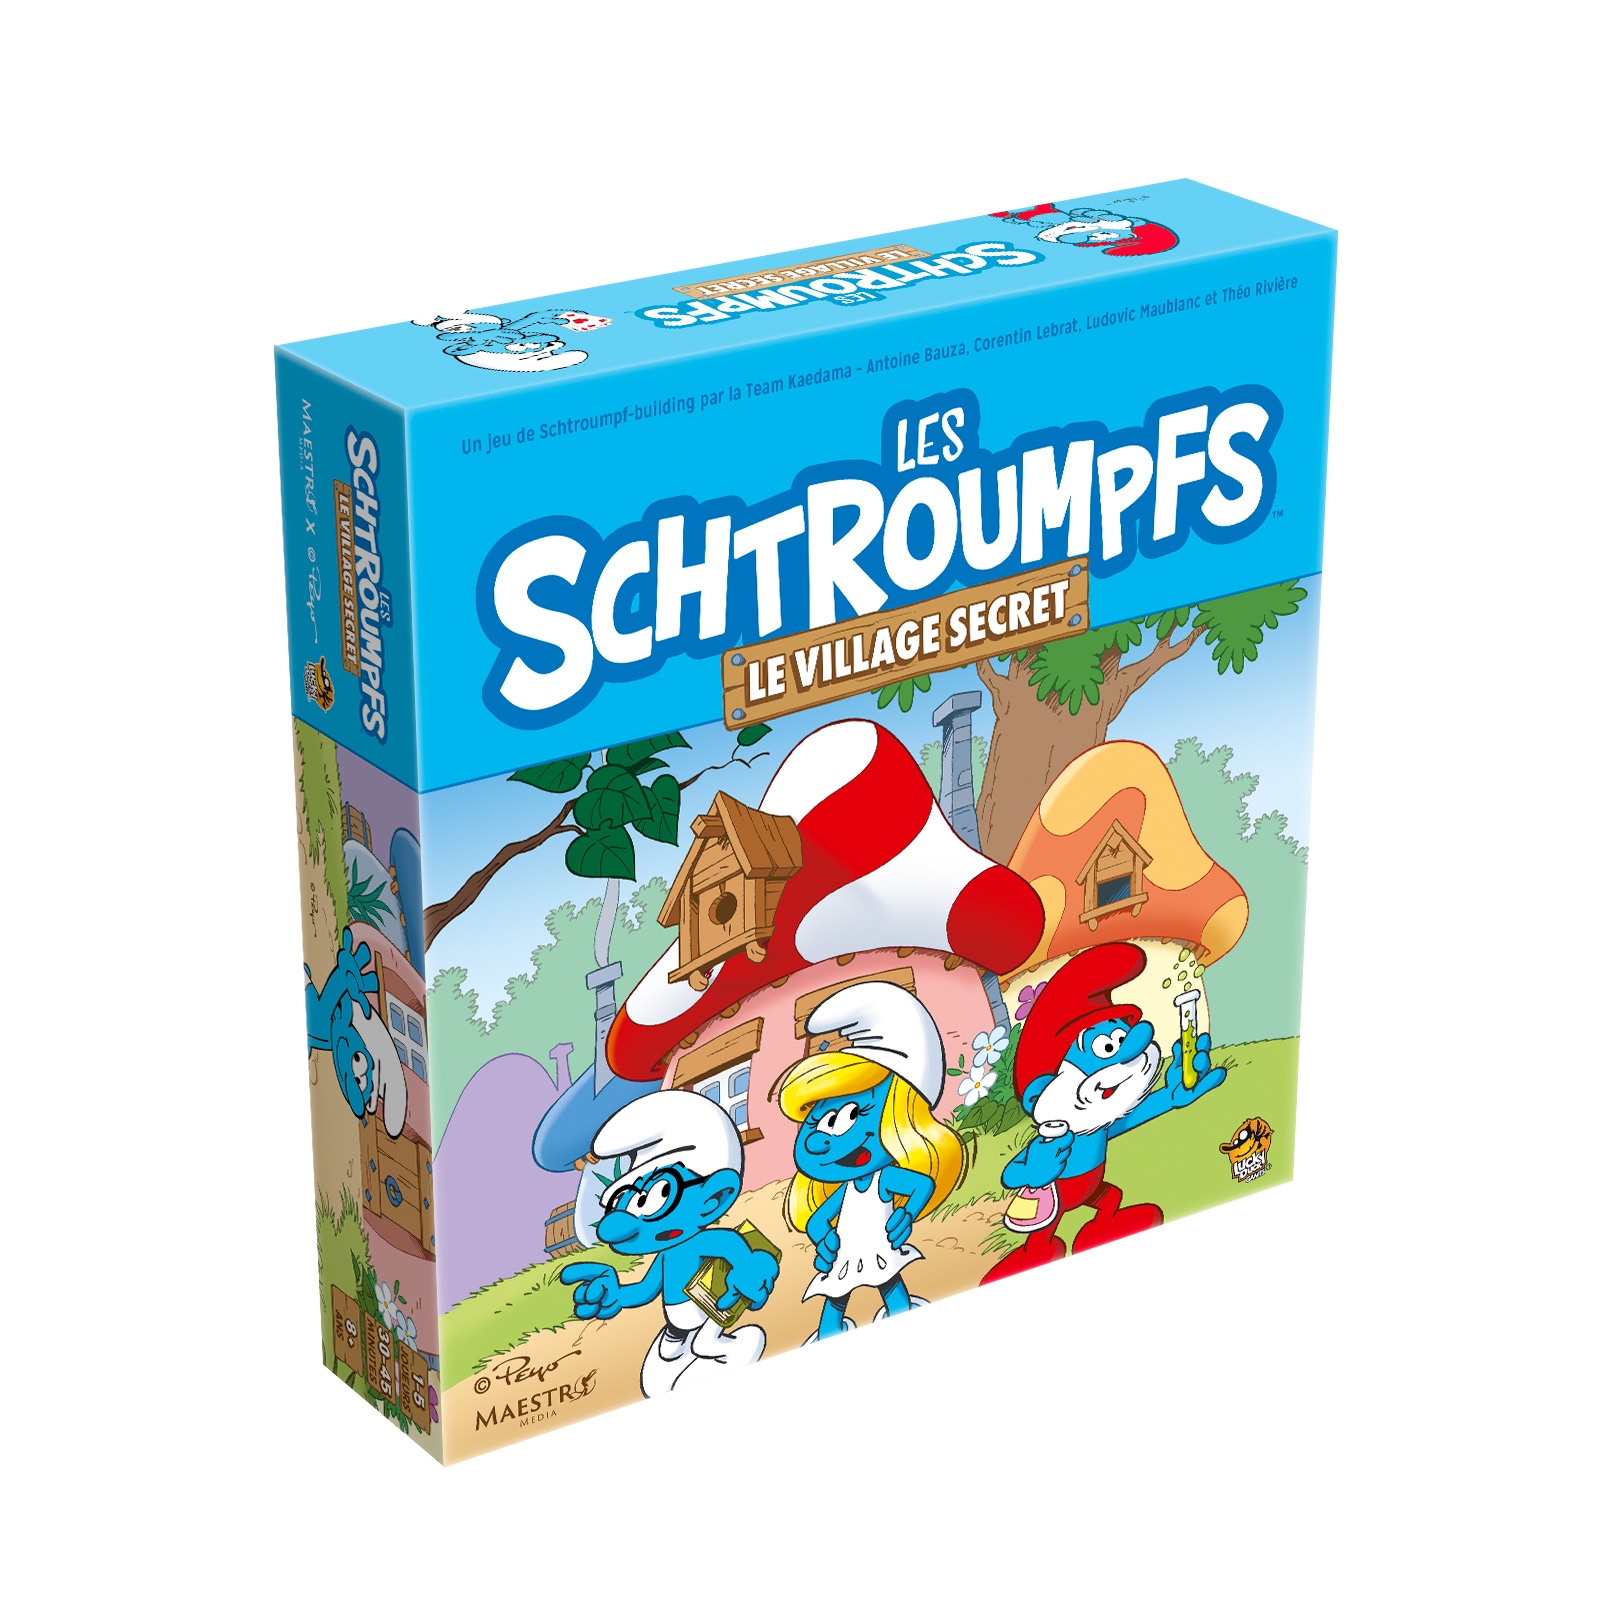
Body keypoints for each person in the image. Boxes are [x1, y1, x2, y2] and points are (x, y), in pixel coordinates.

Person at [981, 942, 1224, 1283]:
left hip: (1091, 1186)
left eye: (1121, 1040)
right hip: (1058, 1194)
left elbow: (1129, 1117)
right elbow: (1011, 1175)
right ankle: (1036, 1250)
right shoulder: (1056, 1133)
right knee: (1045, 1229)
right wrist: (1035, 1170)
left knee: (1111, 1198)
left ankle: (1102, 1227)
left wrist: (1169, 1098)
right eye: (1106, 1048)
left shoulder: (1097, 1121)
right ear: (1045, 1086)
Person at [560, 1089, 778, 1398]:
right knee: (666, 1358)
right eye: (624, 1202)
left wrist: (747, 1271)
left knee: (705, 1342)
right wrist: (617, 1295)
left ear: (714, 1198)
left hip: (710, 1310)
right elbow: (646, 1290)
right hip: (675, 1322)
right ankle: (680, 1352)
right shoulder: (664, 1256)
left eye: (659, 1194)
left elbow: (734, 1247)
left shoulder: (704, 1240)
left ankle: (723, 1345)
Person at [780, 982, 966, 1340]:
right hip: (846, 1250)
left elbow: (921, 1184)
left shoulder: (884, 1178)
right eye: (817, 1121)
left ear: (897, 1119)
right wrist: (823, 1237)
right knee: (836, 1295)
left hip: (879, 1246)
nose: (818, 1140)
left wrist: (906, 1214)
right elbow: (818, 1218)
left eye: (851, 1114)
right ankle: (829, 1334)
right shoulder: (846, 1187)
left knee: (889, 1284)